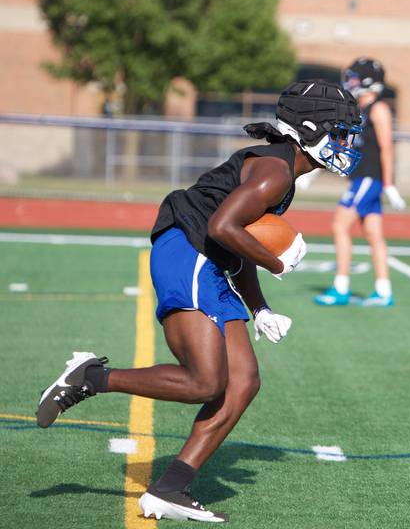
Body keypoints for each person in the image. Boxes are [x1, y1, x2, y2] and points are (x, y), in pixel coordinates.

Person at [36, 80, 363, 523]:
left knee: (243, 381)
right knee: (205, 382)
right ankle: (92, 376)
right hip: (188, 250)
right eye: (340, 130)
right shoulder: (276, 171)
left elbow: (235, 241)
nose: (347, 142)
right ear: (308, 129)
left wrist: (260, 308)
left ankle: (170, 488)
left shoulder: (281, 171)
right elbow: (223, 228)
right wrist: (277, 263)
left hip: (208, 259)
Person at [314, 57, 406, 308]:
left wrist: (389, 185)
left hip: (370, 179)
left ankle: (341, 287)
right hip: (363, 178)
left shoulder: (379, 108)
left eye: (355, 77)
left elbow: (387, 149)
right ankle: (384, 291)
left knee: (339, 226)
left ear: (368, 81)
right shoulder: (360, 109)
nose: (350, 82)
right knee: (373, 234)